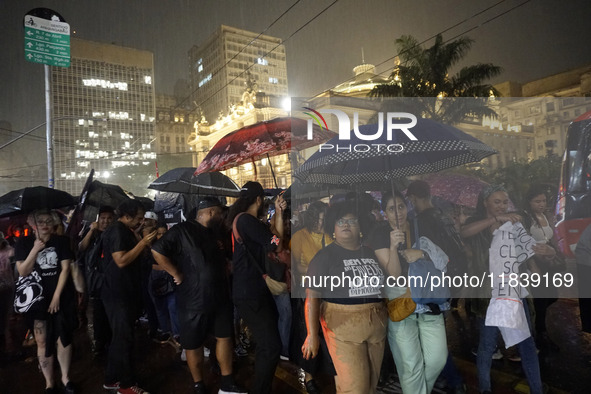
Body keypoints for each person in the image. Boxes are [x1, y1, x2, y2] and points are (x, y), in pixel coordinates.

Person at [152, 196, 246, 394]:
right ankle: (198, 384)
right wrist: (175, 273)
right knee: (193, 344)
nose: (222, 216)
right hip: (193, 300)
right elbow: (157, 250)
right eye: (220, 212)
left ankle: (227, 382)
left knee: (225, 337)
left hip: (220, 297)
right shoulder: (182, 231)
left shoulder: (216, 232)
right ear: (210, 212)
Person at [460, 185, 544, 394]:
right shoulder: (476, 223)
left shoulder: (514, 223)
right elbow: (464, 232)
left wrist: (534, 263)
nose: (502, 206)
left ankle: (537, 390)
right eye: (496, 201)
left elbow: (525, 249)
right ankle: (485, 389)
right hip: (487, 295)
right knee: (487, 346)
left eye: (505, 202)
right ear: (485, 202)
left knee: (526, 344)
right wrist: (494, 220)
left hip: (513, 291)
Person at [302, 202, 390, 394]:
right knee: (353, 387)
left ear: (360, 227)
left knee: (371, 385)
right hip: (342, 330)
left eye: (352, 221)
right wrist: (312, 334)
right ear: (332, 227)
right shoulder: (324, 256)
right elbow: (312, 297)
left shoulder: (370, 252)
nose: (346, 224)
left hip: (376, 328)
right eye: (341, 221)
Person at [367, 191, 448, 394]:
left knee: (438, 358)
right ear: (385, 213)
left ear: (407, 207)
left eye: (401, 206)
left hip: (427, 294)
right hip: (399, 296)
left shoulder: (423, 226)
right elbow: (393, 273)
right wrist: (393, 247)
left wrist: (421, 253)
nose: (398, 213)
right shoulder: (379, 233)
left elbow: (444, 258)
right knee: (410, 363)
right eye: (392, 209)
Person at [405, 180, 467, 393]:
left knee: (431, 333)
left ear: (413, 198)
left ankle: (453, 378)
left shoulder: (421, 221)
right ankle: (447, 377)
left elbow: (425, 255)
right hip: (448, 280)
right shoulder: (442, 215)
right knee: (435, 330)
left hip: (432, 283)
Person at [227, 181, 286, 394]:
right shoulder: (246, 221)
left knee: (266, 343)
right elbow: (276, 244)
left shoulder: (245, 220)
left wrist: (278, 212)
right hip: (250, 292)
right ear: (259, 199)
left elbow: (275, 240)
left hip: (252, 290)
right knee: (270, 346)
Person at [14, 210, 77, 394]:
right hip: (36, 301)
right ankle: (50, 382)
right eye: (40, 221)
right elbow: (23, 271)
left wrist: (57, 296)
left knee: (63, 338)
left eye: (48, 220)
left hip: (61, 297)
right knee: (42, 341)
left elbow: (66, 269)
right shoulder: (23, 243)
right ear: (32, 224)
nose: (44, 224)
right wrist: (35, 249)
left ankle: (65, 378)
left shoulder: (61, 241)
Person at [101, 199, 156, 394]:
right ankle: (126, 385)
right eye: (138, 218)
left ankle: (112, 378)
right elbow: (121, 260)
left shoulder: (125, 230)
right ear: (126, 216)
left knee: (121, 338)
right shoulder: (117, 230)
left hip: (124, 291)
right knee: (124, 338)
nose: (141, 221)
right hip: (117, 292)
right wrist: (143, 242)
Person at [290, 201, 333, 393]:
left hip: (329, 292)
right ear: (313, 218)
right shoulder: (300, 237)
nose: (323, 223)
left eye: (325, 219)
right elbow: (294, 265)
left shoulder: (329, 235)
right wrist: (317, 270)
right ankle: (309, 376)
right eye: (320, 219)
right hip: (307, 292)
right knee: (310, 333)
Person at [521, 185, 563, 351]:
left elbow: (552, 238)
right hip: (536, 263)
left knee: (553, 296)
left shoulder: (546, 216)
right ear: (529, 202)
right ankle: (541, 334)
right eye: (537, 201)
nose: (541, 204)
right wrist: (532, 265)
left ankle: (533, 320)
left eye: (544, 200)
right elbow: (524, 243)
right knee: (541, 298)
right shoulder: (526, 218)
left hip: (549, 261)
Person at [78, 206, 115, 355]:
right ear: (98, 219)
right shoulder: (92, 233)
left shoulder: (115, 234)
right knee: (98, 313)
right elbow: (81, 248)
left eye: (109, 218)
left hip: (112, 280)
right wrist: (91, 231)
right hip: (96, 281)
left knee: (111, 313)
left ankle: (111, 342)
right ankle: (100, 344)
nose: (105, 221)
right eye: (103, 218)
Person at [149, 224, 180, 345]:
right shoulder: (150, 247)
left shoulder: (171, 246)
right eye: (158, 233)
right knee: (160, 307)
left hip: (169, 279)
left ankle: (177, 334)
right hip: (155, 280)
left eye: (163, 233)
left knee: (173, 306)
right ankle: (167, 331)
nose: (161, 236)